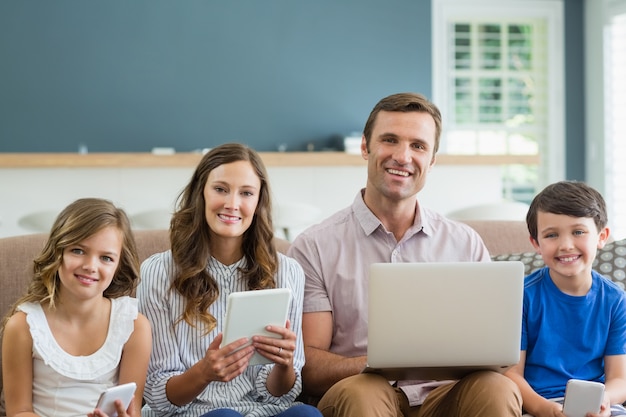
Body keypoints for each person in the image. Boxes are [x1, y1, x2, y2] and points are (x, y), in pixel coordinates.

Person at [287, 92, 523, 417]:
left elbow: (495, 358)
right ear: (365, 147)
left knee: (498, 388)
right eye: (390, 140)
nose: (402, 156)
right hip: (361, 391)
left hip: (445, 397)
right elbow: (308, 366)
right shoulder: (314, 246)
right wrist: (377, 365)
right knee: (364, 391)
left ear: (432, 160)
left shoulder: (465, 244)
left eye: (418, 146)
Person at [138, 143, 322, 417]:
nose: (232, 204)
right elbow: (157, 395)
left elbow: (281, 392)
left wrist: (284, 366)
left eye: (246, 193)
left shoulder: (287, 271)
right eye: (220, 189)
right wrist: (203, 373)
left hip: (261, 411)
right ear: (201, 193)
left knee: (307, 415)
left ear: (258, 202)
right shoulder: (159, 272)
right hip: (191, 414)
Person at [1, 198, 152, 417]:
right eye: (78, 251)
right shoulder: (23, 326)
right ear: (58, 252)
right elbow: (19, 411)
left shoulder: (134, 326)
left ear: (118, 266)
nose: (91, 266)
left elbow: (132, 410)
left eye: (106, 258)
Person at [504, 180, 626, 417]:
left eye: (578, 232)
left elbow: (619, 379)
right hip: (537, 404)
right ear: (536, 244)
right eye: (552, 235)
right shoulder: (521, 297)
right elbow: (510, 374)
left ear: (602, 237)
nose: (566, 245)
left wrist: (603, 400)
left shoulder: (616, 301)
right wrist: (543, 409)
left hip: (598, 406)